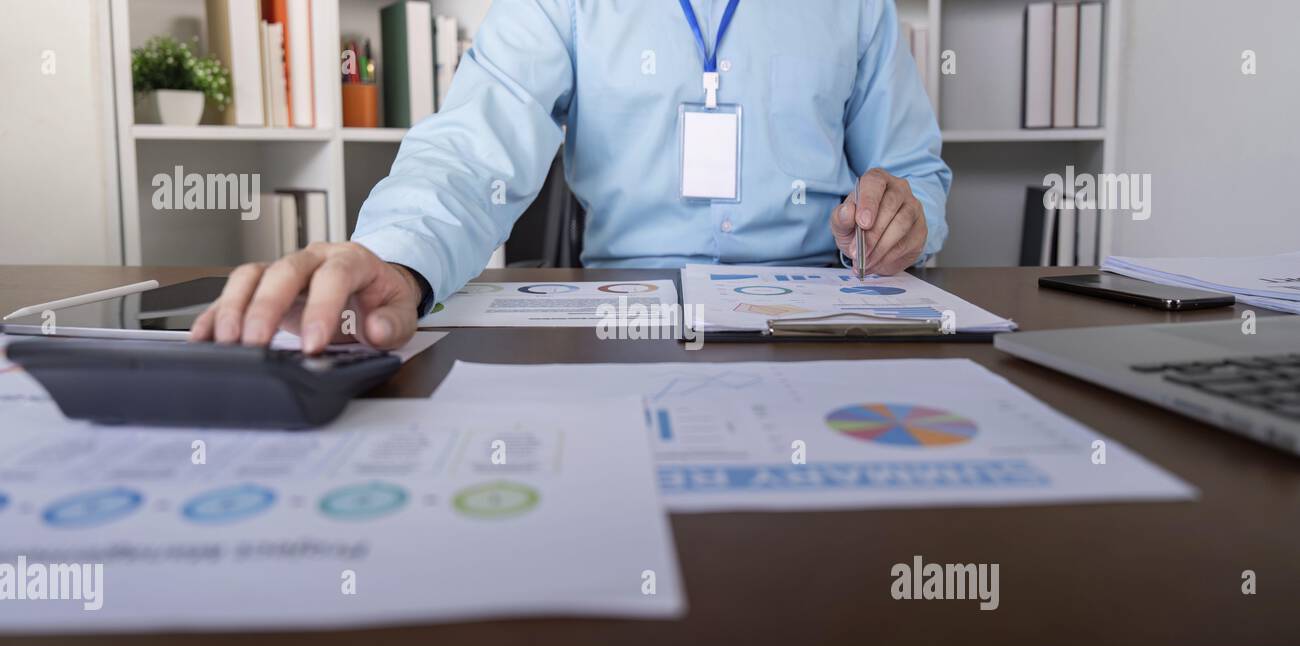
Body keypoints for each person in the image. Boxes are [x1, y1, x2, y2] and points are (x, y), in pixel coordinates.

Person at [190, 0, 951, 353]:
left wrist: (907, 216)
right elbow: (472, 146)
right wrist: (400, 256)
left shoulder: (858, 6)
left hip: (825, 321)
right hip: (627, 321)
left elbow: (914, 172)